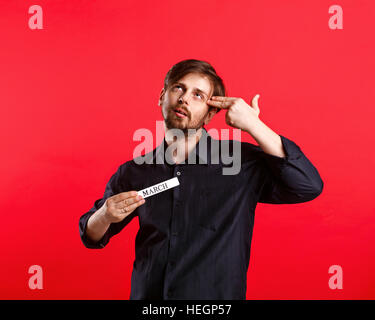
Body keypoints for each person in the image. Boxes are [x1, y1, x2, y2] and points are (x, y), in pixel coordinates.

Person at [78, 59, 324, 300]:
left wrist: (254, 125)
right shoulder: (134, 171)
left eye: (198, 95)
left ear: (210, 113)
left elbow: (308, 185)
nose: (184, 98)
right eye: (178, 88)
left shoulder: (240, 163)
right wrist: (104, 216)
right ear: (162, 96)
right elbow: (92, 236)